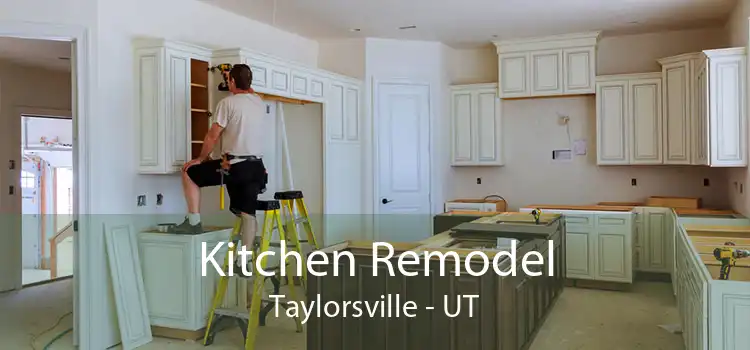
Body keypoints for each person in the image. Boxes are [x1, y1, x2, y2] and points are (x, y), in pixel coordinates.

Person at [171, 64, 267, 268]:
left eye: (229, 80)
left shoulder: (227, 103)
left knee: (190, 172)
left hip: (234, 166)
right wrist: (236, 78)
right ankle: (245, 259)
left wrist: (201, 158)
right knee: (247, 213)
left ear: (231, 81)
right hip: (257, 168)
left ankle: (194, 221)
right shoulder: (258, 101)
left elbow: (213, 135)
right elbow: (247, 89)